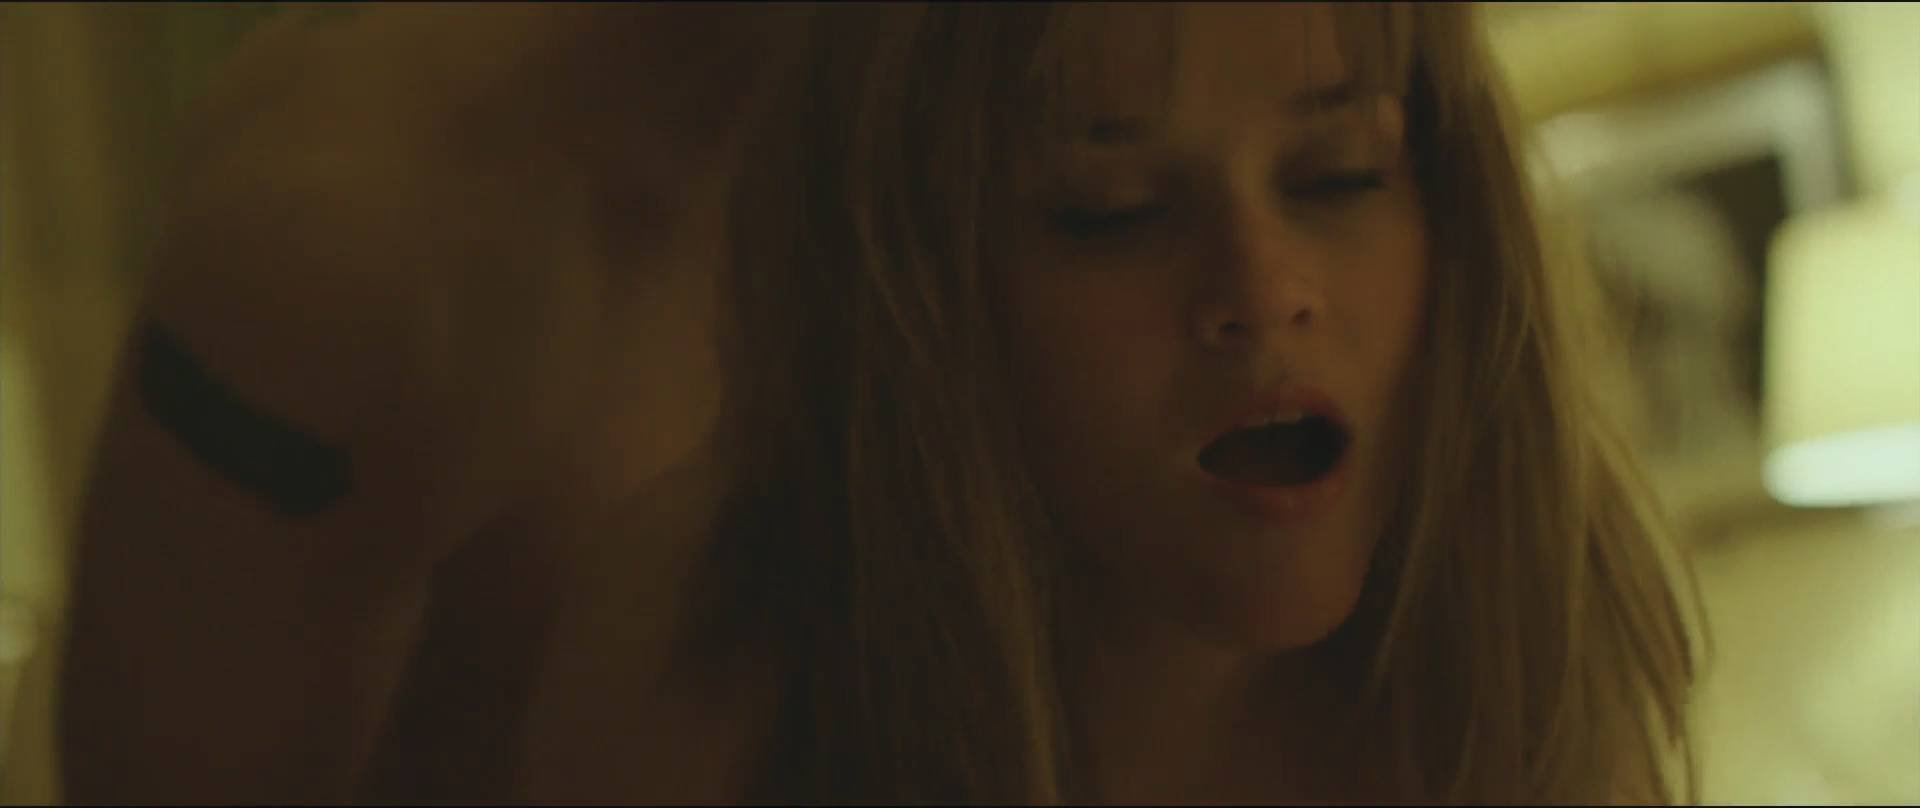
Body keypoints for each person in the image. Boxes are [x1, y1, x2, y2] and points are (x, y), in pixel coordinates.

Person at [59, 3, 1704, 803]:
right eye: (1105, 211)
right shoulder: (379, 232)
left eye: (1339, 174)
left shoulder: (1502, 607)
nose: (1265, 285)